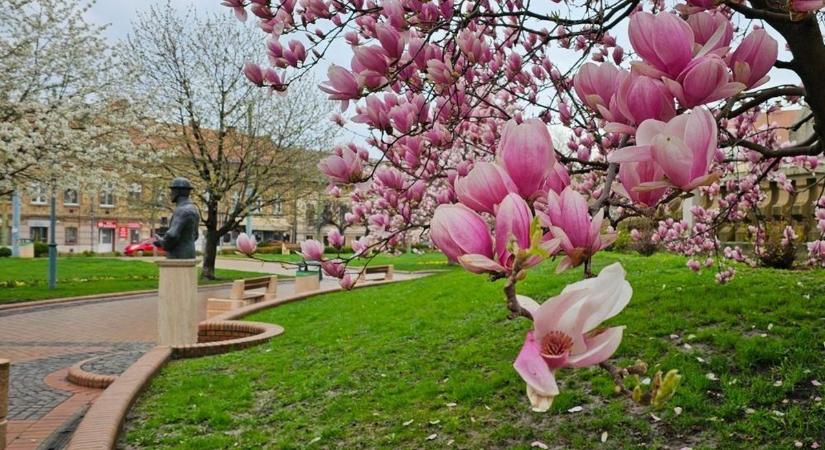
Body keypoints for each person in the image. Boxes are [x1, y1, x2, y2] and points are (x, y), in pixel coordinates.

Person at [154, 177, 200, 259]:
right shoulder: (194, 209)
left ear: (178, 192)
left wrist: (162, 242)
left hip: (178, 255)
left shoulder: (182, 211)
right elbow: (195, 235)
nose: (170, 194)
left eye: (172, 191)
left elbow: (172, 234)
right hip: (190, 253)